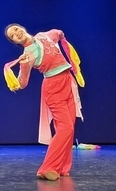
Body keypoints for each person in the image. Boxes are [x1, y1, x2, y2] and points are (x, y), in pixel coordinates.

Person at [5, 24, 83, 181]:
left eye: (16, 29)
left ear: (22, 28)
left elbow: (57, 33)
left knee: (69, 128)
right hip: (53, 88)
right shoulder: (27, 55)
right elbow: (22, 83)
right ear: (15, 42)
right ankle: (48, 168)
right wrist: (24, 65)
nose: (16, 33)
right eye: (12, 35)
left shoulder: (43, 35)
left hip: (68, 82)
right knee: (65, 128)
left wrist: (61, 35)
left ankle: (62, 167)